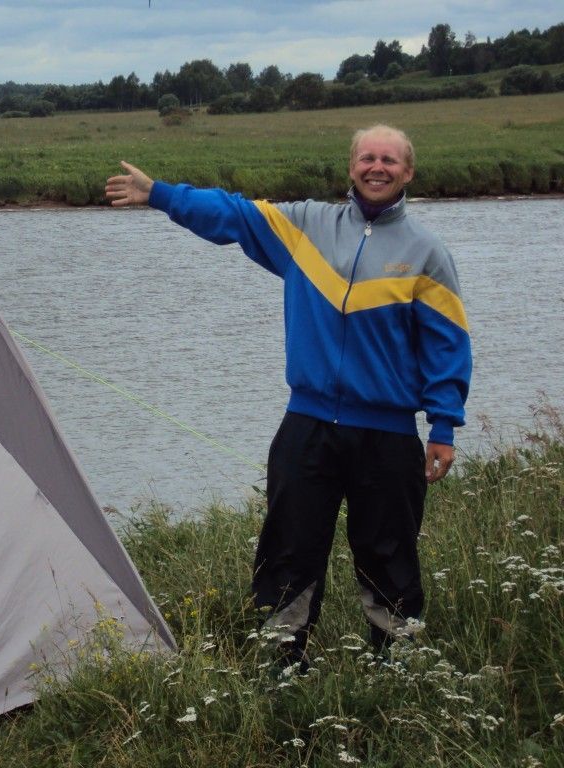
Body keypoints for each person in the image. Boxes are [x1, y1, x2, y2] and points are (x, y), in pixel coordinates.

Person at [105, 125, 471, 667]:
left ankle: (400, 666)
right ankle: (282, 661)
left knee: (389, 551)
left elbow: (448, 343)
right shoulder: (305, 227)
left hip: (389, 433)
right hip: (308, 423)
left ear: (408, 172)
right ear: (351, 167)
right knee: (290, 546)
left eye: (390, 160)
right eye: (367, 157)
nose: (378, 167)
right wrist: (160, 195)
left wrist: (443, 426)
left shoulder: (427, 252)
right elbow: (232, 213)